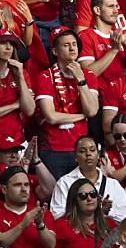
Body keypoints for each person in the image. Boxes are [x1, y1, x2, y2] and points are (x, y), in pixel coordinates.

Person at [34, 26, 100, 179]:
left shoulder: (88, 75)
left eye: (74, 44)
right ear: (55, 51)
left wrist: (81, 80)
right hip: (54, 149)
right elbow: (51, 116)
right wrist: (80, 116)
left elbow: (91, 111)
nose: (72, 48)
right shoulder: (45, 76)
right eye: (66, 45)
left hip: (81, 149)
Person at [49, 136, 126, 224]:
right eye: (82, 151)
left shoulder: (113, 185)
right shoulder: (64, 183)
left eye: (92, 150)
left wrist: (104, 215)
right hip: (76, 234)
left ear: (98, 155)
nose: (88, 154)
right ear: (75, 157)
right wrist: (93, 212)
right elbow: (57, 216)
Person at [0, 166, 57, 248]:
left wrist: (40, 225)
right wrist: (22, 225)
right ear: (4, 189)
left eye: (26, 184)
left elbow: (51, 246)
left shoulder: (41, 212)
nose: (24, 189)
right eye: (17, 185)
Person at [52, 179, 115, 248]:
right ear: (74, 201)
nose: (89, 198)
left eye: (93, 194)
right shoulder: (62, 225)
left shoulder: (109, 223)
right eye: (83, 196)